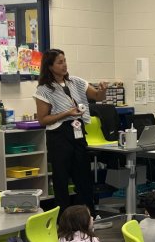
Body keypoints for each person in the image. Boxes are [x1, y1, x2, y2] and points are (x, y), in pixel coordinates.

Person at [34, 48, 108, 216]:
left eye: (65, 61)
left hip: (78, 132)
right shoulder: (44, 90)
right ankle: (64, 221)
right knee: (61, 180)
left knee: (83, 177)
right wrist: (66, 113)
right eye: (60, 62)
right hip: (59, 136)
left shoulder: (76, 82)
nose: (64, 65)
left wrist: (103, 89)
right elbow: (43, 120)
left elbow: (97, 96)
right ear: (50, 66)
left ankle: (89, 216)